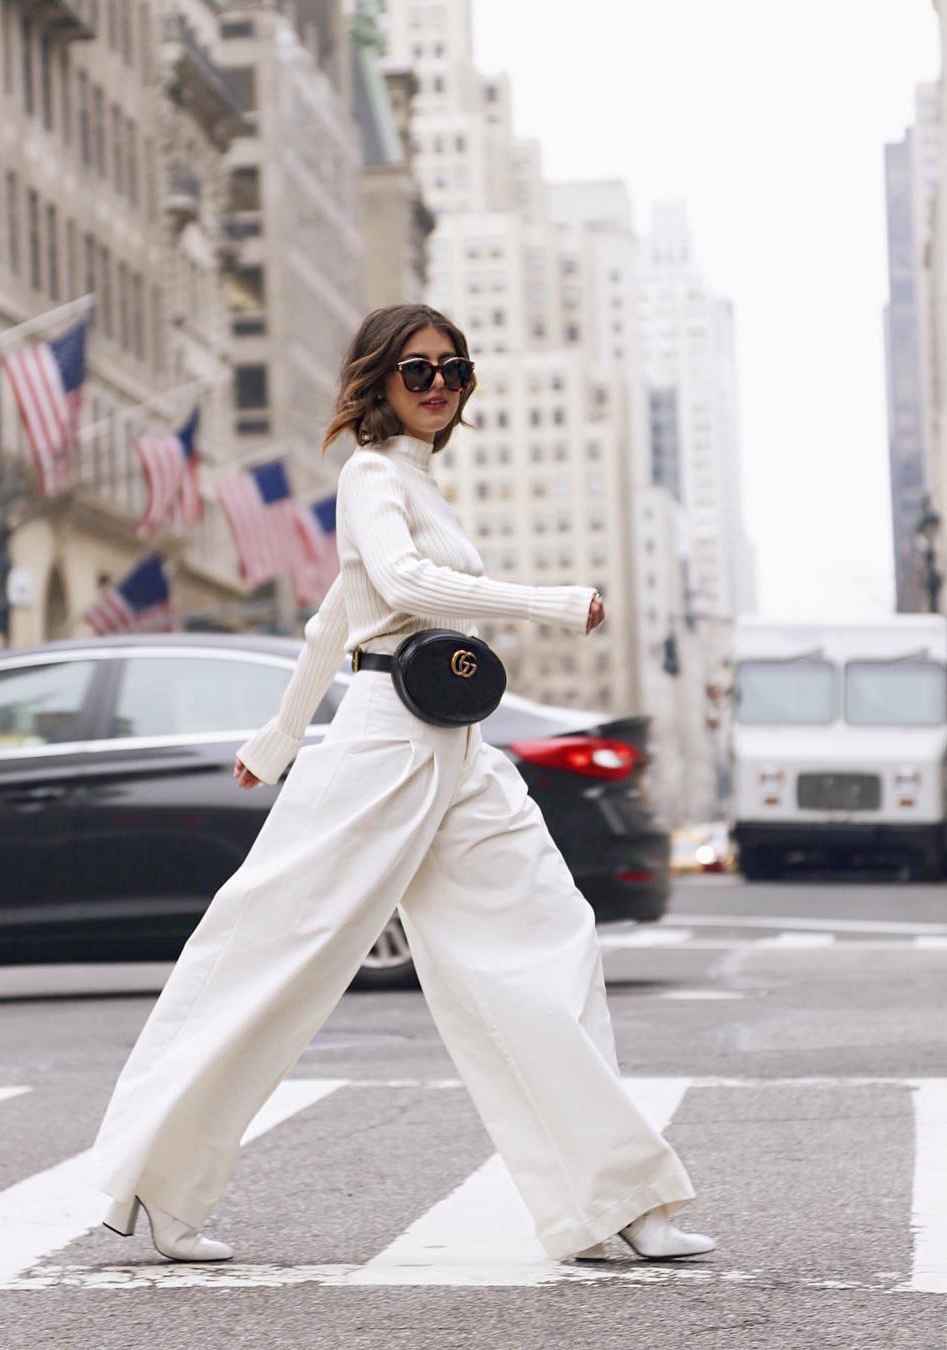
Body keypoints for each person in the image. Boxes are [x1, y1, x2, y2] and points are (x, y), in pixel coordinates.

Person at [85, 303, 715, 1266]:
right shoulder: (370, 476)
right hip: (383, 746)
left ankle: (611, 1199)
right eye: (415, 370)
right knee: (273, 954)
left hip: (458, 748)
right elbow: (400, 583)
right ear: (375, 381)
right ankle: (152, 1188)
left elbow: (333, 617)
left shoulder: (417, 484)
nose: (436, 385)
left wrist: (280, 729)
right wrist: (547, 605)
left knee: (552, 940)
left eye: (452, 369)